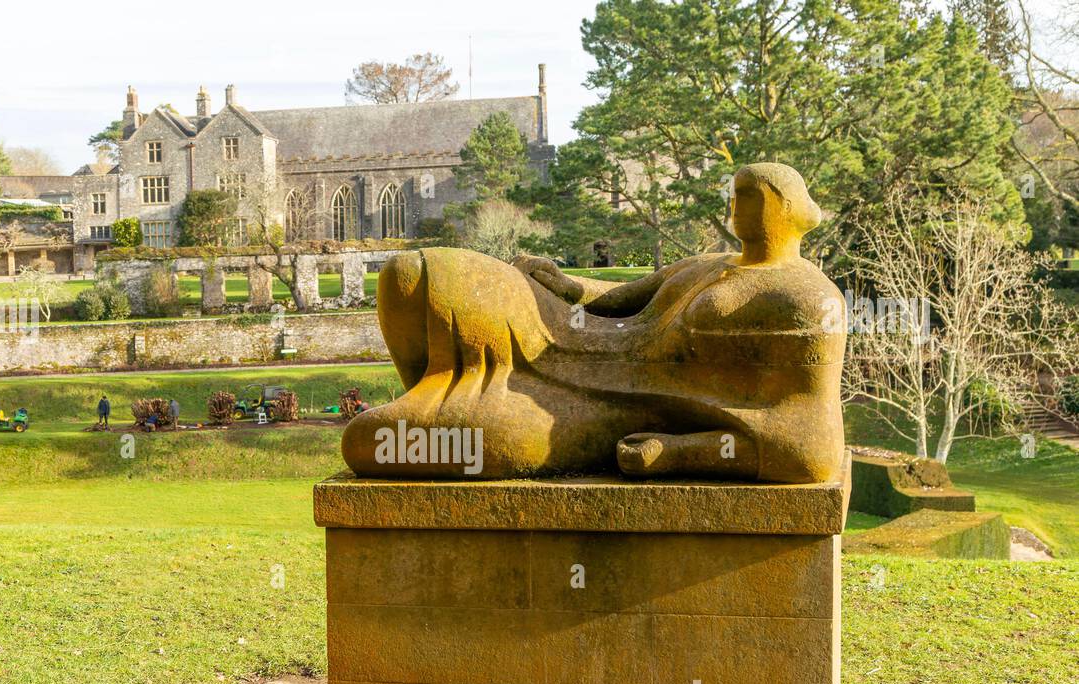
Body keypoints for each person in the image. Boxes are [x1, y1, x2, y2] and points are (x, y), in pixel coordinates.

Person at [341, 162, 845, 484]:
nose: (737, 207)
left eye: (751, 195)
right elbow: (626, 299)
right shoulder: (712, 262)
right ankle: (437, 386)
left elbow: (810, 448)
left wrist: (677, 453)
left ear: (785, 208)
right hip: (564, 327)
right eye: (735, 194)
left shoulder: (805, 299)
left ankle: (449, 399)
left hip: (600, 405)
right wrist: (565, 286)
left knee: (374, 441)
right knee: (409, 276)